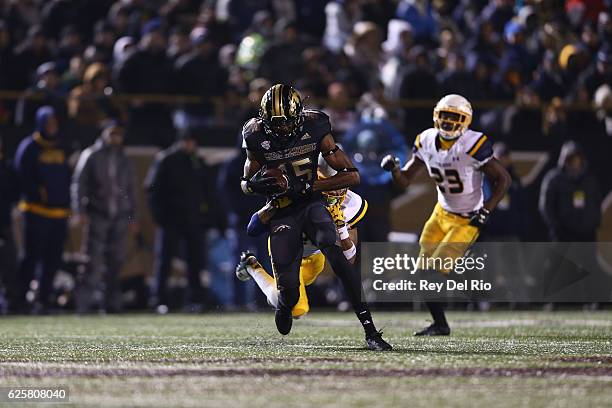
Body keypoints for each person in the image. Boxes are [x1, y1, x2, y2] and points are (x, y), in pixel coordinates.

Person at [240, 84, 391, 350]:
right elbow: (246, 182)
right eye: (277, 124)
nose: (284, 129)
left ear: (299, 116)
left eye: (288, 123)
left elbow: (352, 175)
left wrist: (310, 187)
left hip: (310, 203)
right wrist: (255, 186)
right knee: (289, 294)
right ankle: (283, 303)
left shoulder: (316, 126)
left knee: (337, 256)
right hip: (283, 209)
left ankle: (370, 331)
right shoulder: (255, 135)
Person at [381, 94, 511, 335]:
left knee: (432, 272)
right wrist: (395, 170)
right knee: (421, 273)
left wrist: (486, 210)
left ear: (466, 120)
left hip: (467, 218)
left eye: (455, 117)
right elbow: (406, 180)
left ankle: (474, 297)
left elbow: (503, 178)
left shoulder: (472, 144)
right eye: (445, 116)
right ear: (436, 117)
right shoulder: (426, 140)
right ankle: (440, 324)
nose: (449, 122)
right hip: (441, 213)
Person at [236, 153, 367, 319]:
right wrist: (274, 205)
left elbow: (349, 259)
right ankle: (253, 269)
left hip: (314, 258)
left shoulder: (352, 203)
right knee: (297, 309)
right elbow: (253, 228)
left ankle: (250, 266)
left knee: (282, 297)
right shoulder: (301, 190)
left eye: (341, 179)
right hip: (288, 252)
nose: (337, 186)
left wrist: (341, 227)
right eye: (331, 179)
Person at [71, 121, 137, 313]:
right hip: (97, 213)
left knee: (116, 262)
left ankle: (111, 305)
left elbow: (130, 191)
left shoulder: (124, 158)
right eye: (112, 134)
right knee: (92, 261)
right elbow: (79, 183)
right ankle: (84, 305)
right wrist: (79, 210)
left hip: (119, 216)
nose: (115, 138)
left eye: (118, 134)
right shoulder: (91, 154)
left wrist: (133, 217)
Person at [14, 106, 71, 313]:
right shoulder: (29, 147)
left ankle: (44, 299)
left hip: (59, 213)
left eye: (54, 123)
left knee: (53, 259)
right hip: (36, 211)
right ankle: (20, 298)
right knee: (31, 256)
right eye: (48, 123)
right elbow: (22, 176)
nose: (52, 127)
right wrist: (39, 195)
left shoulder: (61, 146)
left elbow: (67, 177)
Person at [144, 130, 209, 312]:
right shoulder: (166, 160)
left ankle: (195, 300)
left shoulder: (196, 161)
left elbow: (206, 192)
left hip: (192, 219)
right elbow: (152, 189)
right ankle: (159, 299)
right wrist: (160, 217)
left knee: (194, 261)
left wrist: (204, 217)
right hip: (171, 219)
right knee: (164, 260)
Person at [539, 141, 603, 242]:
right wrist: (556, 227)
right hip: (563, 236)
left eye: (577, 158)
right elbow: (546, 206)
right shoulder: (554, 179)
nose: (574, 162)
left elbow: (597, 201)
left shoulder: (589, 179)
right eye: (570, 158)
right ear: (564, 160)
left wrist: (595, 222)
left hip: (587, 235)